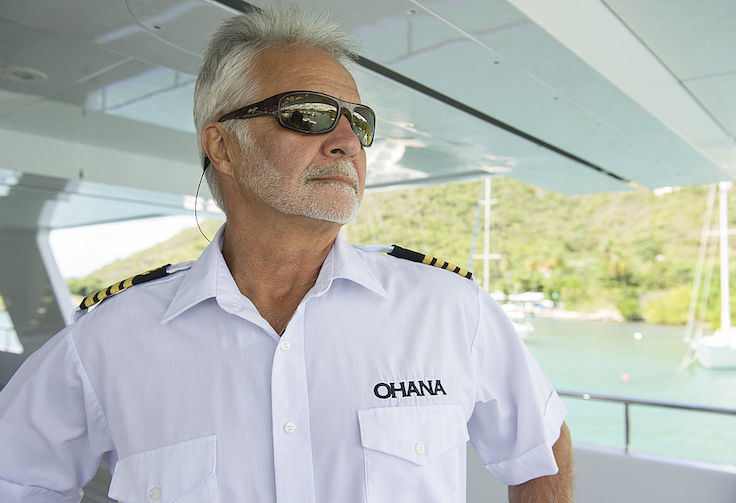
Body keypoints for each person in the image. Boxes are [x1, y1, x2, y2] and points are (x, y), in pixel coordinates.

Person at [0, 6, 572, 502]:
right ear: (223, 146)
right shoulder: (109, 339)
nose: (346, 141)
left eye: (358, 122)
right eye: (307, 114)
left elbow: (540, 451)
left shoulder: (449, 309)